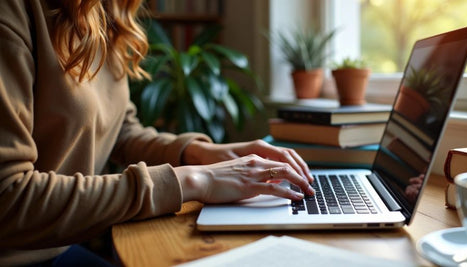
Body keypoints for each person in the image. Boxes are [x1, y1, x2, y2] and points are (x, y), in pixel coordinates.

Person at [0, 0, 314, 265]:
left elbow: (118, 129)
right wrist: (193, 179)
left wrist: (196, 153)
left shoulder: (105, 9)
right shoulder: (13, 15)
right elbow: (8, 198)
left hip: (58, 248)